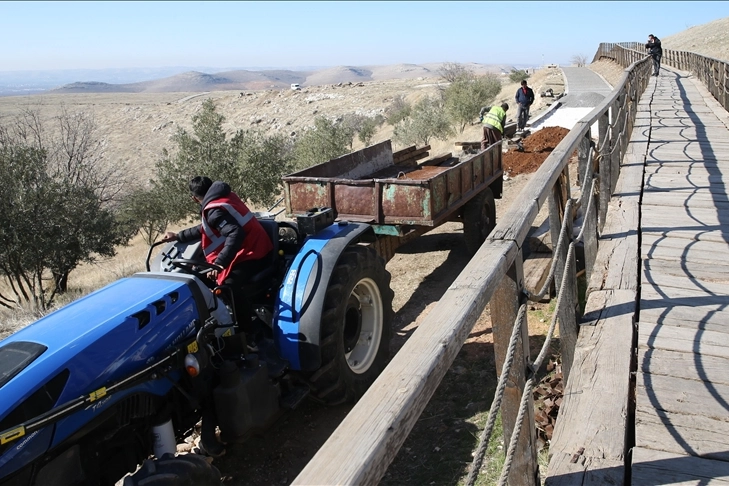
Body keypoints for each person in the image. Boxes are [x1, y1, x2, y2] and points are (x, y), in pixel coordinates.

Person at [163, 176, 273, 328]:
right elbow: (206, 228)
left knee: (229, 285)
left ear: (194, 199)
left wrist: (219, 263)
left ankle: (246, 333)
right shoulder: (222, 197)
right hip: (252, 245)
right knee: (198, 272)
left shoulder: (213, 210)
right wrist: (178, 236)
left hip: (253, 251)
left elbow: (235, 233)